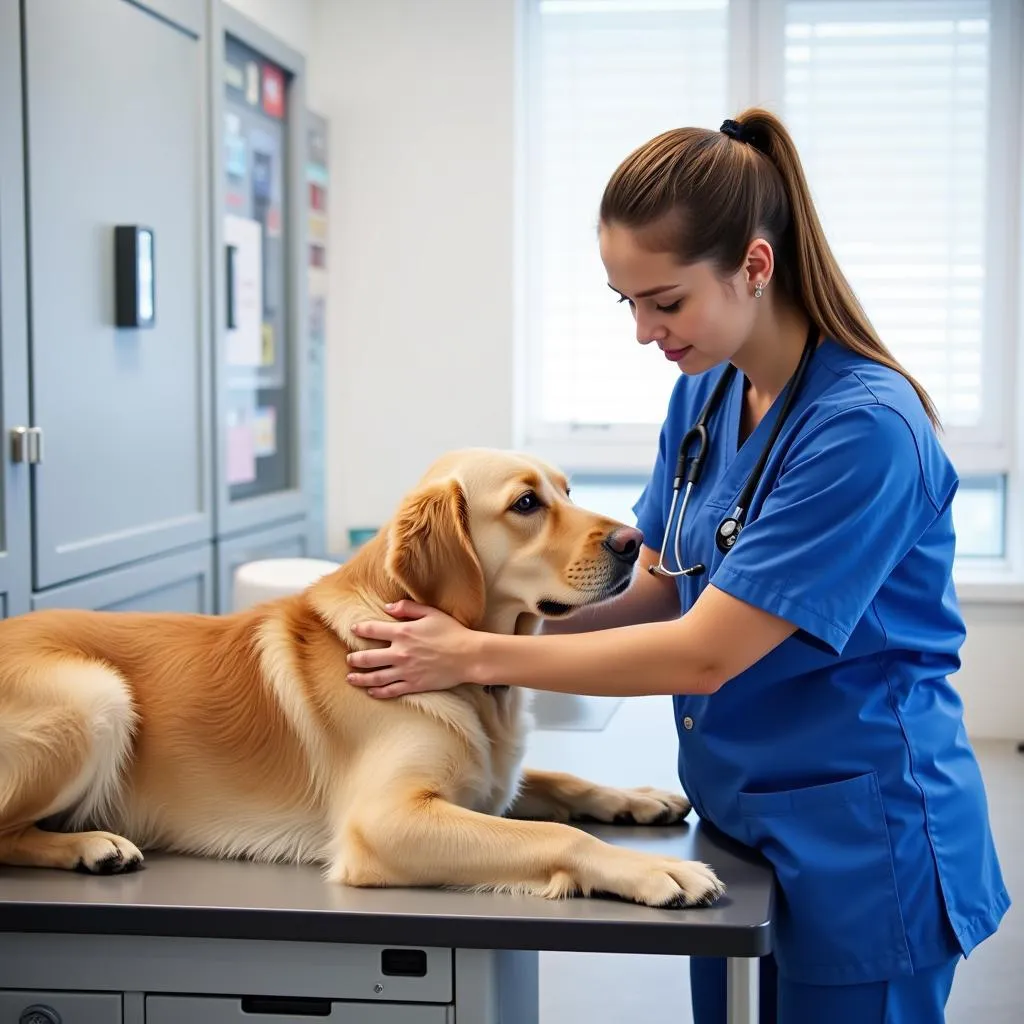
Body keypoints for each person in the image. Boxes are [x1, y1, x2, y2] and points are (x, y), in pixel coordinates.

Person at [344, 108, 1010, 1023]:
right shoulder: (706, 388)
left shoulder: (864, 429)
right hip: (742, 826)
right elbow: (660, 585)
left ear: (754, 266)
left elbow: (704, 650)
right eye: (627, 302)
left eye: (665, 302)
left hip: (865, 841)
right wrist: (495, 611)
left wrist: (473, 656)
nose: (644, 332)